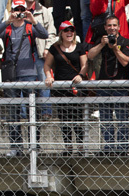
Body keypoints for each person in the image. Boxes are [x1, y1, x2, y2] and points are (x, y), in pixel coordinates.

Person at [0, 0, 49, 157]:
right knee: (13, 112)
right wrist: (7, 20)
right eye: (16, 9)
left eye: (22, 9)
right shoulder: (8, 28)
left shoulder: (30, 27)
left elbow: (45, 34)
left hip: (29, 73)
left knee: (33, 112)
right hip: (11, 75)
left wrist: (33, 19)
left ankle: (34, 145)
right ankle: (15, 145)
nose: (19, 12)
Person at [87, 15, 129, 155]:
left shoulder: (126, 42)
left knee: (121, 117)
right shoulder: (101, 41)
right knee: (105, 117)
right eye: (109, 26)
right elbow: (90, 55)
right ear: (105, 27)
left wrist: (114, 48)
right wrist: (102, 44)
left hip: (121, 83)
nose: (112, 28)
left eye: (114, 25)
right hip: (103, 83)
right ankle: (108, 147)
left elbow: (125, 62)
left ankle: (122, 148)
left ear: (119, 27)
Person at [44, 20, 88, 156]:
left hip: (76, 87)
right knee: (64, 118)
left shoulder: (79, 47)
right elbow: (47, 65)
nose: (69, 33)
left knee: (78, 119)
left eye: (71, 30)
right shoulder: (54, 48)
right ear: (61, 33)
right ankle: (68, 147)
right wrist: (48, 76)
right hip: (60, 88)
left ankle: (80, 147)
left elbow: (85, 64)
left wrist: (80, 75)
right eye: (66, 30)